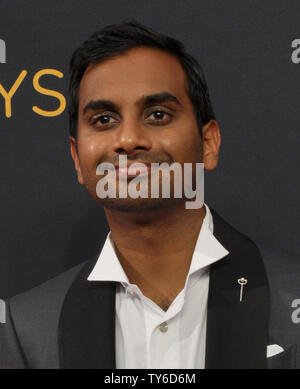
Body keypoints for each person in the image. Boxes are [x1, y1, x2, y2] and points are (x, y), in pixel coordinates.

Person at [1, 20, 299, 369]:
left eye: (157, 115)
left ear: (208, 144)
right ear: (77, 159)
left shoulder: (290, 296)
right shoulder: (28, 327)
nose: (128, 139)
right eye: (103, 120)